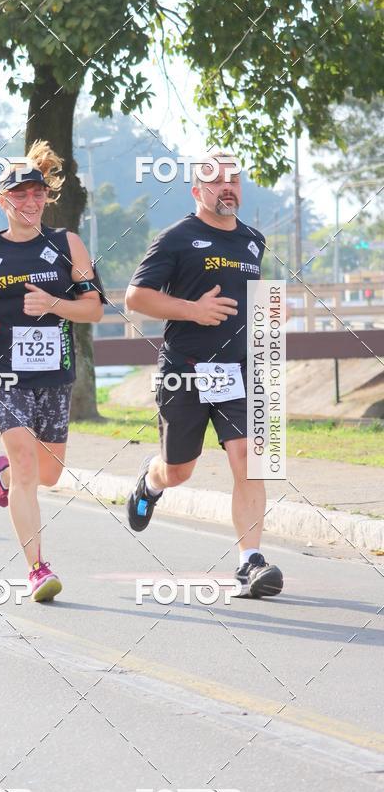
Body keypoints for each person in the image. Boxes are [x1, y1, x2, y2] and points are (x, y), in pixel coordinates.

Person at [0, 141, 104, 602]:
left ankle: (2, 476)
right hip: (2, 372)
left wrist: (56, 304)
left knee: (48, 474)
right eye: (20, 195)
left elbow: (93, 308)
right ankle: (37, 568)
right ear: (3, 201)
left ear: (46, 197)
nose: (30, 202)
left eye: (37, 193)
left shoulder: (67, 244)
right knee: (24, 462)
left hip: (54, 373)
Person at [124, 154, 283, 598]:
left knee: (248, 459)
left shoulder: (254, 240)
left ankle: (250, 561)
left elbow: (247, 299)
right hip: (186, 371)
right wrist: (193, 311)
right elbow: (136, 297)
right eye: (216, 182)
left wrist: (269, 312)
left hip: (239, 371)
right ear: (197, 192)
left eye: (234, 180)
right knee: (180, 470)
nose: (227, 187)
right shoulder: (177, 238)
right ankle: (151, 481)